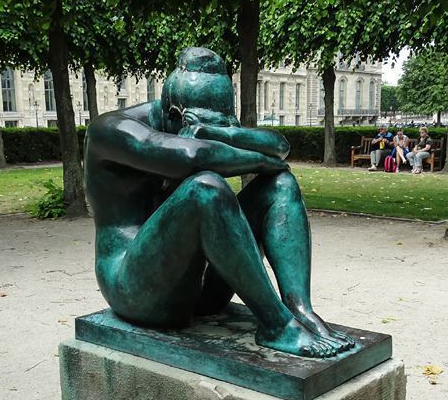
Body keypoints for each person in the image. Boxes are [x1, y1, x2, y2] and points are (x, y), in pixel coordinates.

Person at [84, 47, 355, 360]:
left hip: (202, 292)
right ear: (173, 113)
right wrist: (259, 161)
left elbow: (280, 146)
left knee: (280, 184)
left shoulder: (202, 124)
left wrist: (212, 130)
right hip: (135, 291)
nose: (215, 137)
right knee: (205, 189)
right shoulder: (111, 131)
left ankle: (299, 310)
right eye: (203, 127)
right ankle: (276, 326)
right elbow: (192, 156)